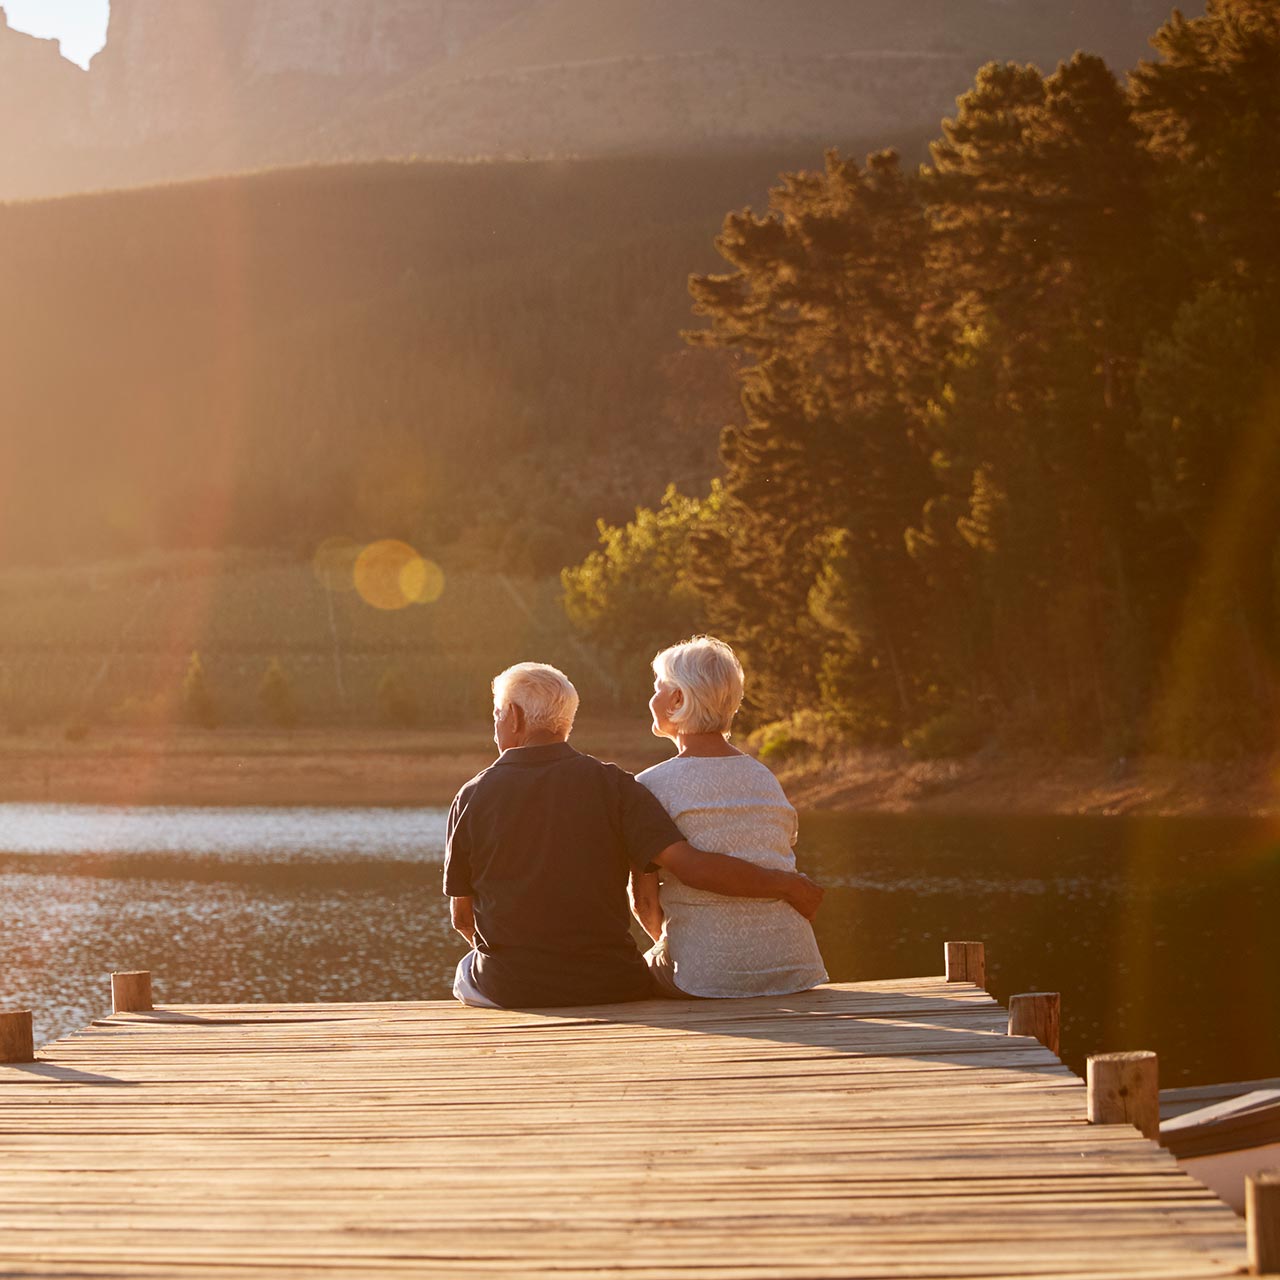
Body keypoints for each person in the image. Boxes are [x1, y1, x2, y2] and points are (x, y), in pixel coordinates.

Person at [444, 661, 823, 1009]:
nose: (495, 726)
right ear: (566, 721)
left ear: (513, 717)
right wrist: (787, 885)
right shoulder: (618, 786)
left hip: (511, 987)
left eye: (496, 714)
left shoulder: (471, 796)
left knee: (465, 972)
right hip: (611, 983)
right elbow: (672, 874)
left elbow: (462, 919)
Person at [629, 636, 828, 998]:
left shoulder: (649, 786)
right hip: (794, 969)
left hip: (705, 978)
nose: (651, 699)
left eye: (658, 688)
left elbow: (644, 904)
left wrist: (671, 946)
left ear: (677, 699)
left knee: (635, 973)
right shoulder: (764, 777)